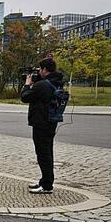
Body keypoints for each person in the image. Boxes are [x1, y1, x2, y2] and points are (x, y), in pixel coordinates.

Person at [20, 57, 64, 194]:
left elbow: (25, 97)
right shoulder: (56, 82)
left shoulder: (43, 85)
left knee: (43, 154)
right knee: (47, 152)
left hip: (41, 122)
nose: (38, 71)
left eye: (40, 69)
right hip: (51, 121)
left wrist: (27, 84)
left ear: (45, 69)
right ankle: (45, 180)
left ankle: (46, 185)